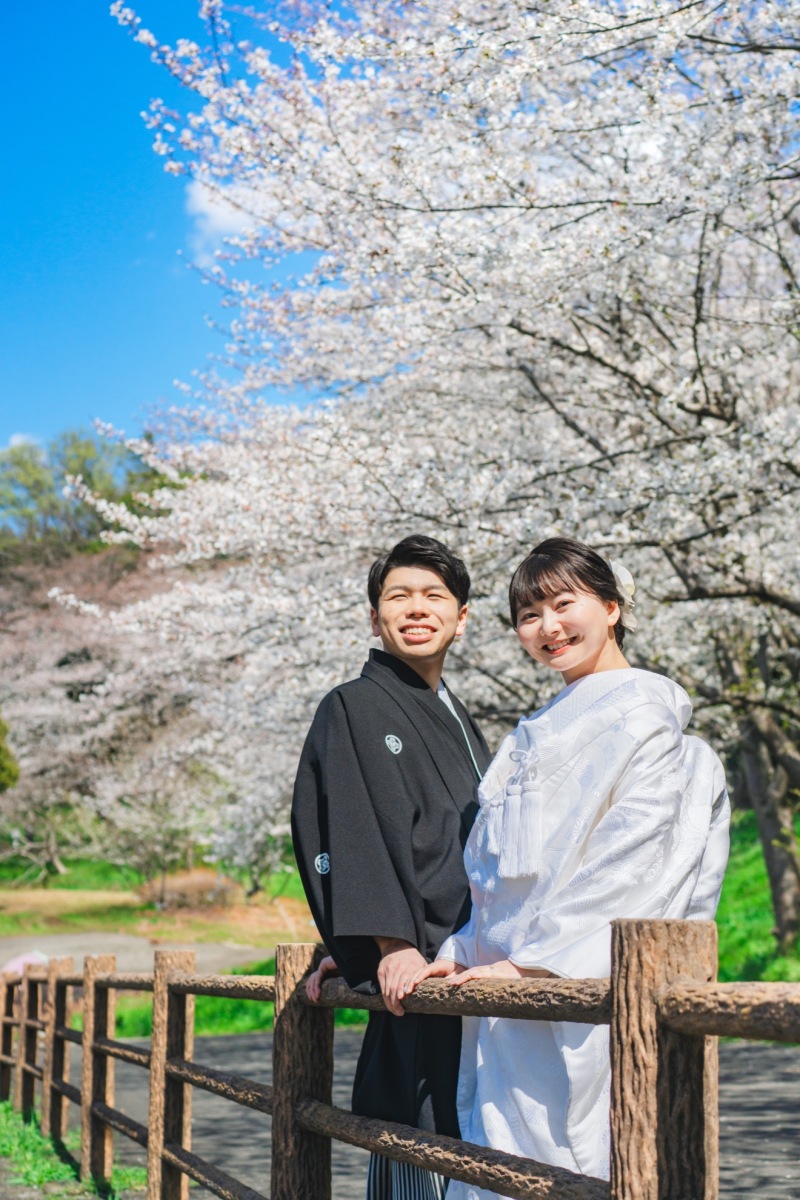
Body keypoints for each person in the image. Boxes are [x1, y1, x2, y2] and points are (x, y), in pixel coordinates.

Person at [410, 537, 730, 1195]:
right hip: (505, 992)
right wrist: (466, 946)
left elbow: (632, 865)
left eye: (564, 604)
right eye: (529, 615)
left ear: (611, 607)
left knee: (587, 1161)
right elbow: (494, 873)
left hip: (575, 978)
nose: (548, 627)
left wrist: (533, 962)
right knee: (503, 1163)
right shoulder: (528, 734)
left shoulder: (647, 719)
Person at [292, 534, 492, 1200]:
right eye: (398, 596)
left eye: (435, 595)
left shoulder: (458, 717)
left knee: (474, 1143)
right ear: (375, 618)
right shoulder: (354, 704)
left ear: (461, 618)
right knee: (422, 1139)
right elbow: (352, 826)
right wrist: (385, 943)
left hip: (468, 955)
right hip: (419, 961)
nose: (417, 608)